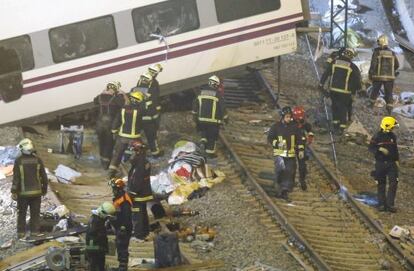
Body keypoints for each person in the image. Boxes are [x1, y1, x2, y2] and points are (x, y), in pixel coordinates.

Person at [11, 138, 48, 239]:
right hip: (36, 193)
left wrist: (14, 191)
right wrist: (44, 189)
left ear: (22, 149)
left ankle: (21, 233)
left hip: (23, 194)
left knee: (22, 213)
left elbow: (16, 178)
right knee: (35, 213)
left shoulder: (18, 161)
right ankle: (34, 232)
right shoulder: (38, 160)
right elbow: (44, 177)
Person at [319, 48, 362, 134]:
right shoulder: (352, 66)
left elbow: (326, 73)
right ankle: (342, 128)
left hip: (333, 90)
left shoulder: (335, 62)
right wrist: (356, 91)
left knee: (334, 107)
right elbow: (357, 80)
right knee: (343, 109)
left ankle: (335, 126)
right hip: (345, 92)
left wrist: (321, 84)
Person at [267, 107, 304, 201]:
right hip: (279, 154)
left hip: (290, 154)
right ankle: (278, 188)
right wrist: (276, 144)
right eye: (287, 117)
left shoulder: (294, 127)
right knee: (280, 170)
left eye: (290, 117)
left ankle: (285, 191)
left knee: (289, 171)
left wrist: (301, 150)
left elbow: (299, 139)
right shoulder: (276, 126)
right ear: (283, 117)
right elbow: (270, 138)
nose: (289, 119)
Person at [108, 91, 145, 178]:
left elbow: (117, 121)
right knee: (140, 153)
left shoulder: (123, 109)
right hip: (135, 138)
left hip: (122, 137)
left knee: (117, 154)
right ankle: (134, 171)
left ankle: (111, 173)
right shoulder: (140, 111)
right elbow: (143, 124)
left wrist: (113, 131)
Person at [368, 116, 400, 213]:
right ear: (388, 126)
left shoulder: (393, 136)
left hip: (391, 164)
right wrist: (380, 149)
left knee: (393, 183)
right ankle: (381, 204)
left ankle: (390, 205)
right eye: (392, 127)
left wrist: (397, 161)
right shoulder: (377, 136)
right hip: (380, 163)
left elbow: (395, 150)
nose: (393, 128)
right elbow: (371, 148)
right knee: (381, 184)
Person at [192, 75, 228, 157]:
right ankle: (210, 153)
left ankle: (203, 141)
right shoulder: (217, 95)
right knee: (212, 136)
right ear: (216, 85)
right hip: (213, 121)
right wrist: (226, 118)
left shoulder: (200, 93)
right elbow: (223, 108)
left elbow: (195, 105)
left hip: (201, 119)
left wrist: (194, 116)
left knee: (204, 132)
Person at [93, 81, 126, 169]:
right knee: (109, 143)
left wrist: (103, 93)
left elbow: (95, 101)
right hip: (110, 124)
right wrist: (122, 94)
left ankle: (102, 161)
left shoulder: (100, 97)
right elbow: (124, 104)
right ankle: (106, 164)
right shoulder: (116, 98)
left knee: (102, 142)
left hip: (99, 124)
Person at [127, 139, 154, 241]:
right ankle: (145, 231)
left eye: (133, 151)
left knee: (137, 213)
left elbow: (137, 178)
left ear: (137, 151)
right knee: (143, 212)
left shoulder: (140, 163)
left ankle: (138, 235)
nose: (131, 154)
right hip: (144, 192)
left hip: (138, 193)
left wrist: (133, 191)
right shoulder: (143, 161)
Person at [368, 34, 400, 114]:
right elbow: (397, 65)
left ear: (380, 42)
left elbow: (373, 64)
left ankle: (370, 105)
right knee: (388, 93)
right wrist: (391, 71)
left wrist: (370, 74)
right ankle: (389, 110)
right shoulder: (392, 52)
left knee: (374, 91)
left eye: (378, 42)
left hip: (378, 76)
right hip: (389, 77)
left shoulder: (376, 52)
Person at [136, 71, 163, 157]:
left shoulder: (134, 90)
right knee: (152, 137)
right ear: (149, 81)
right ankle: (155, 153)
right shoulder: (152, 90)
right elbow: (155, 105)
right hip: (149, 120)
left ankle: (135, 152)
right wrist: (156, 121)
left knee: (134, 136)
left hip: (137, 119)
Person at [109, 178, 132, 271]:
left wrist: (123, 227)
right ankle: (121, 266)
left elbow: (126, 215)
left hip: (124, 227)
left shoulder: (124, 200)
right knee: (119, 245)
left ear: (118, 188)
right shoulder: (119, 197)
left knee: (122, 246)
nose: (112, 190)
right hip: (119, 225)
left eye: (113, 188)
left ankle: (123, 266)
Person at [85, 202, 116, 270]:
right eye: (107, 216)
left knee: (93, 265)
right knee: (98, 266)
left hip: (93, 247)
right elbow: (99, 234)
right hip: (96, 248)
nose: (107, 218)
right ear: (103, 213)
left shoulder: (94, 218)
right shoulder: (97, 221)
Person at [292, 106, 314, 191]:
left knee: (302, 165)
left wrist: (310, 137)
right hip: (291, 145)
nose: (299, 121)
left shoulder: (305, 124)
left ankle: (302, 180)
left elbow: (310, 131)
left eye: (300, 120)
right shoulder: (290, 124)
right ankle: (291, 181)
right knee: (291, 164)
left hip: (301, 146)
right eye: (297, 120)